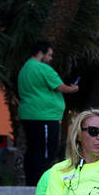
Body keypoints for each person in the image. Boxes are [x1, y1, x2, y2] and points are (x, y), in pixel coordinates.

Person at [17, 40, 79, 185]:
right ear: (41, 53)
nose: (51, 58)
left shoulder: (25, 68)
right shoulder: (42, 69)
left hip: (29, 114)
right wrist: (74, 88)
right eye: (49, 55)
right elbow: (62, 87)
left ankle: (31, 182)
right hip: (44, 116)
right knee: (46, 151)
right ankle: (41, 183)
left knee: (33, 149)